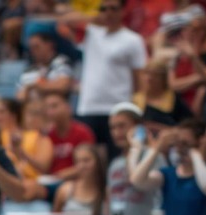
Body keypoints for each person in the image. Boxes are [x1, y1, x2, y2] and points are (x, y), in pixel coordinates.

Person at [63, 0, 147, 154]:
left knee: (116, 155)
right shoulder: (92, 33)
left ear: (123, 11)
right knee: (90, 159)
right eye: (104, 9)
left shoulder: (133, 40)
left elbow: (139, 77)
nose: (108, 13)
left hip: (117, 106)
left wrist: (137, 106)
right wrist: (95, 16)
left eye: (113, 9)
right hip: (88, 106)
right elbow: (67, 20)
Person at [45, 91, 96, 180]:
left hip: (76, 180)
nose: (50, 112)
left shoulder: (82, 132)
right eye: (47, 108)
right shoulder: (47, 135)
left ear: (68, 107)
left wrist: (60, 176)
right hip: (50, 181)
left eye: (54, 106)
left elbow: (89, 162)